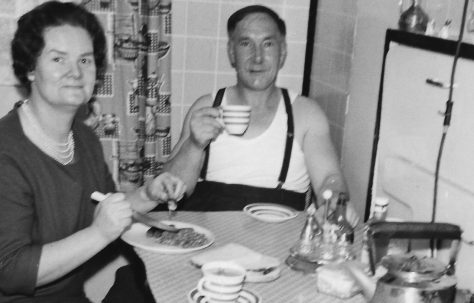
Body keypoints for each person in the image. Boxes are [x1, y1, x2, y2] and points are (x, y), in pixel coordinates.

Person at [0, 1, 185, 302]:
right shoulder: (6, 150)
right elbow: (9, 271)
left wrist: (148, 194)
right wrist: (100, 233)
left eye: (85, 60)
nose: (75, 72)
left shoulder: (84, 138)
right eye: (58, 59)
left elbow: (105, 207)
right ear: (31, 68)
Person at [163, 5, 359, 225]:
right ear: (231, 52)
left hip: (278, 244)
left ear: (282, 52)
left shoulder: (306, 114)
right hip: (208, 242)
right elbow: (169, 190)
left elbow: (328, 179)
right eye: (246, 44)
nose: (257, 57)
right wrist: (194, 145)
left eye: (267, 44)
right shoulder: (207, 106)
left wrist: (334, 201)